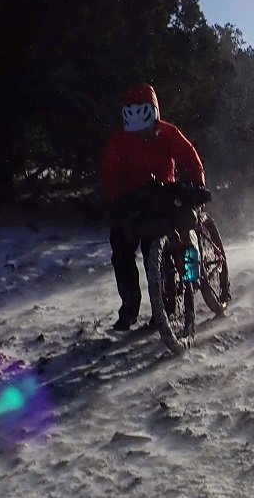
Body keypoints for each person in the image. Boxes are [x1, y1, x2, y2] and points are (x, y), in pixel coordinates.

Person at [101, 83, 207, 331]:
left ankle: (166, 308)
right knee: (121, 248)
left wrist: (197, 185)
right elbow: (109, 173)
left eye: (146, 130)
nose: (142, 136)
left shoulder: (169, 133)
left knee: (158, 247)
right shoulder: (119, 140)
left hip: (162, 195)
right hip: (132, 199)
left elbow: (190, 158)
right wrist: (117, 200)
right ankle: (129, 309)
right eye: (137, 132)